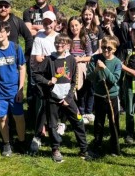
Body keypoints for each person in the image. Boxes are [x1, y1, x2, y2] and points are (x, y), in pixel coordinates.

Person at [31, 34, 94, 162]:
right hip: (52, 98)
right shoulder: (49, 59)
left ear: (68, 46)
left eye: (63, 43)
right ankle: (55, 149)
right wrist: (48, 81)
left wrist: (69, 98)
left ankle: (84, 150)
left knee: (78, 121)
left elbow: (74, 81)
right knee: (53, 125)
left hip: (68, 98)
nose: (59, 45)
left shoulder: (71, 60)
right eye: (57, 43)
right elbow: (35, 74)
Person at [0, 20, 27, 157]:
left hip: (14, 90)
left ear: (7, 32)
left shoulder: (16, 48)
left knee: (19, 117)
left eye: (1, 31)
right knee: (2, 118)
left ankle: (21, 141)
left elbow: (22, 67)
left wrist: (21, 89)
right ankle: (6, 143)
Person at [29, 10, 59, 153]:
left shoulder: (59, 38)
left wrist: (45, 58)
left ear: (55, 23)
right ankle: (38, 133)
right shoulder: (39, 37)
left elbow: (61, 58)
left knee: (54, 106)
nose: (48, 25)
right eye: (45, 22)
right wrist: (48, 59)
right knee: (41, 107)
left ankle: (54, 134)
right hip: (42, 78)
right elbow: (36, 59)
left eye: (50, 22)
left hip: (57, 77)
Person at [87, 35, 122, 156]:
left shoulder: (117, 62)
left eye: (109, 48)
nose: (106, 50)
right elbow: (89, 77)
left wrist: (105, 68)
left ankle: (115, 148)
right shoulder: (95, 58)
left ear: (115, 49)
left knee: (113, 122)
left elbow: (114, 80)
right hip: (99, 96)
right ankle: (96, 145)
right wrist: (96, 70)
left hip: (112, 97)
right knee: (99, 122)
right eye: (103, 47)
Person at [66, 16, 93, 117]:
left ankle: (81, 113)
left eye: (76, 25)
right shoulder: (68, 38)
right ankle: (70, 112)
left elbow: (90, 56)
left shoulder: (85, 38)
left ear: (81, 25)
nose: (74, 28)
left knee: (81, 92)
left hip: (81, 68)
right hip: (69, 67)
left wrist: (80, 59)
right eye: (72, 26)